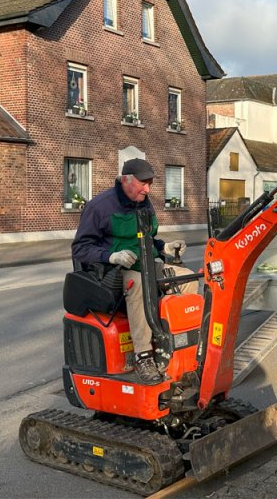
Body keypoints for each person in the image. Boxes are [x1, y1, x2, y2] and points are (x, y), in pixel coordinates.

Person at [72, 158, 198, 384]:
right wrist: (110, 256)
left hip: (148, 264)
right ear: (126, 180)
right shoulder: (99, 207)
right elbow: (81, 248)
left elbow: (148, 238)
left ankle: (173, 342)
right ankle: (143, 356)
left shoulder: (144, 204)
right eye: (143, 183)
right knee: (139, 283)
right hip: (114, 272)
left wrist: (165, 248)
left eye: (150, 183)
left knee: (188, 280)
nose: (148, 189)